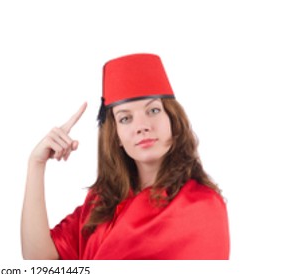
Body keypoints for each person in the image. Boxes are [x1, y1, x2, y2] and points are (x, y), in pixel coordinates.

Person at [20, 53, 229, 260]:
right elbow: (41, 264)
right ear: (117, 136)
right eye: (126, 118)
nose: (142, 127)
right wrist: (36, 164)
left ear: (173, 120)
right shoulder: (101, 202)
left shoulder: (201, 206)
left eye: (154, 110)